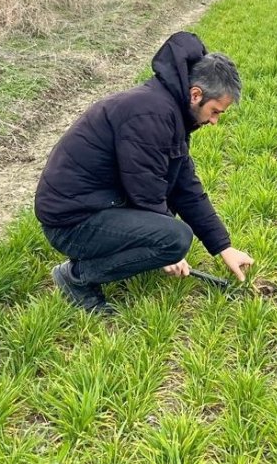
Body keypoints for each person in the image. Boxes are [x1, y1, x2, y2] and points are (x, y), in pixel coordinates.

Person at [34, 31, 253, 314]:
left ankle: (149, 248)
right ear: (196, 94)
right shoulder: (150, 116)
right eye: (215, 112)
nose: (214, 121)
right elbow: (146, 192)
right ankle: (76, 277)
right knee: (174, 238)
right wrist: (167, 246)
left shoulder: (168, 111)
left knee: (169, 236)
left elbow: (185, 186)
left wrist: (224, 248)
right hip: (70, 222)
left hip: (96, 204)